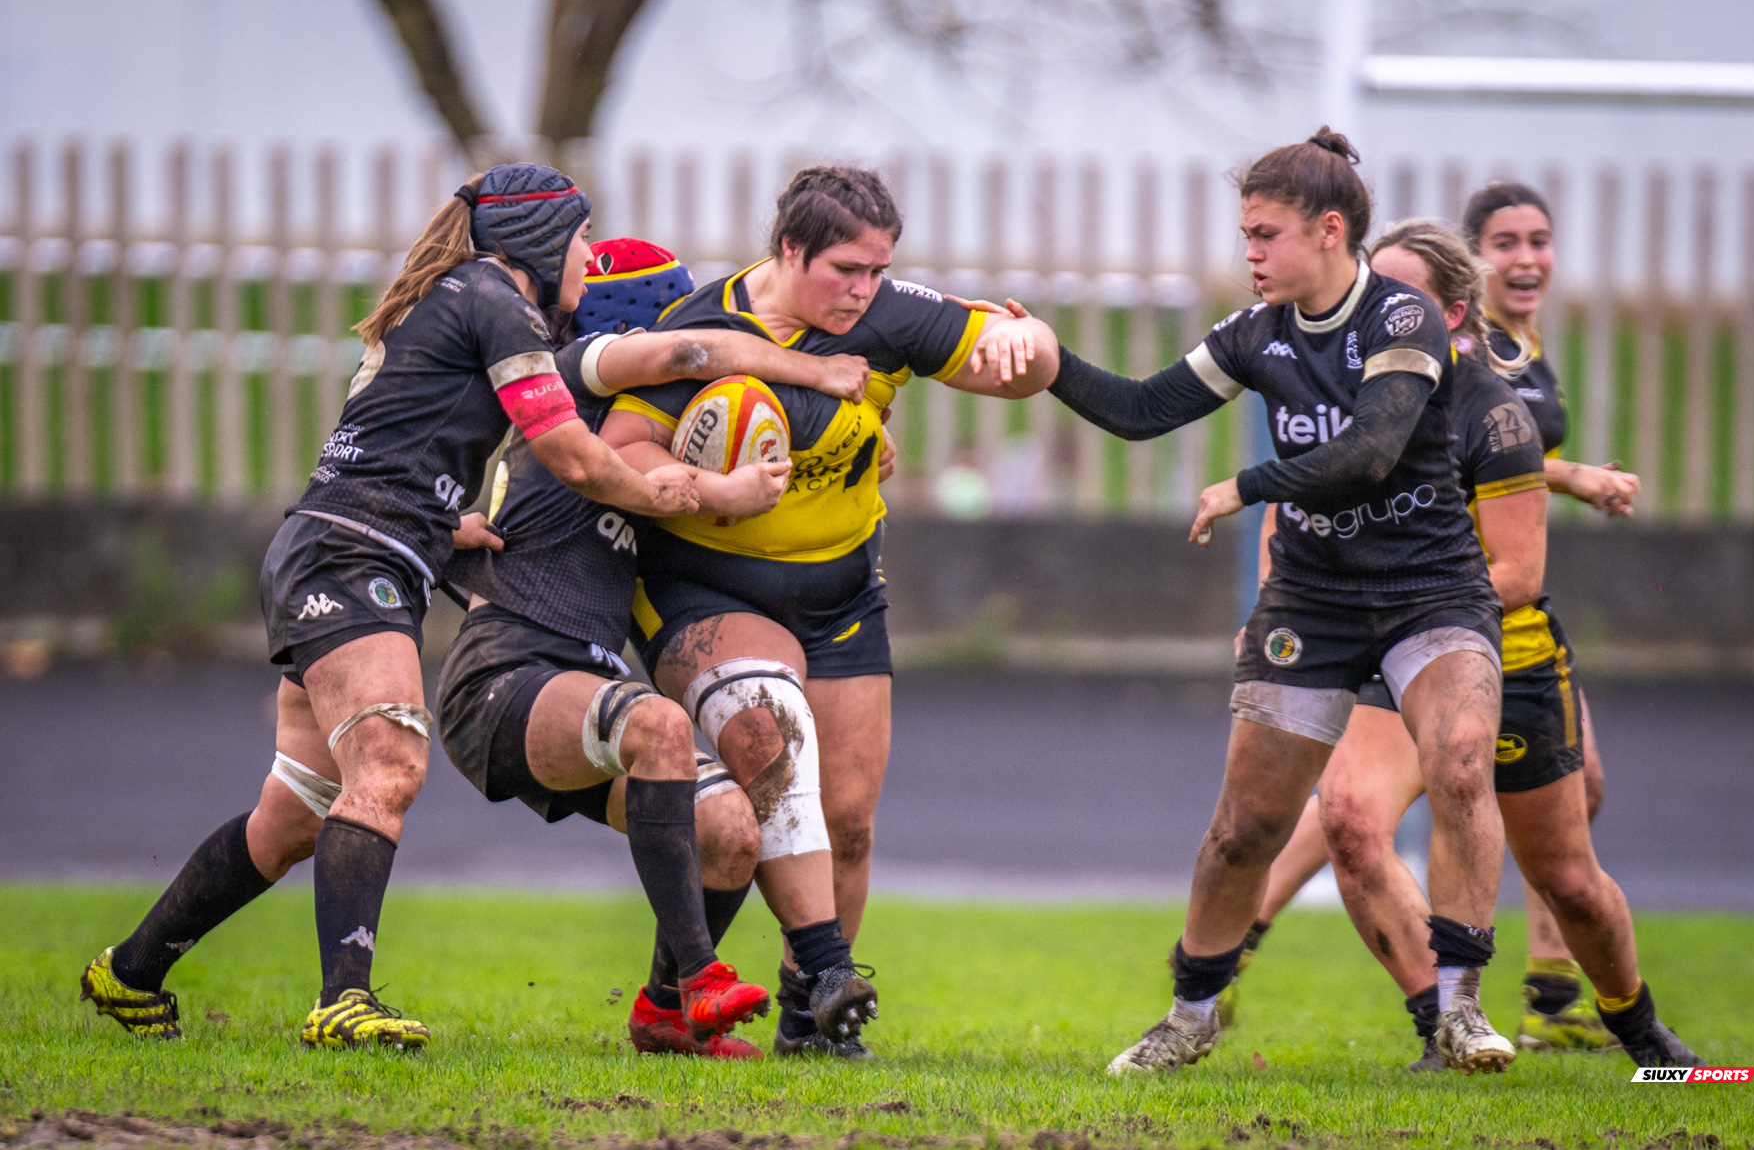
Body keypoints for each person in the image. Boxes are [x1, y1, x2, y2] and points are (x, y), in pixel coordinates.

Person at [78, 164, 706, 1049]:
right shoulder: (499, 299)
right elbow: (569, 453)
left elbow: (391, 439)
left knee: (295, 813)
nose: (587, 257)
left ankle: (130, 970)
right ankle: (345, 1000)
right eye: (577, 237)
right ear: (535, 242)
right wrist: (677, 495)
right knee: (391, 757)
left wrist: (445, 525)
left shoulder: (458, 293)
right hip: (349, 557)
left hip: (342, 545)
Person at [1048, 130, 1516, 1075]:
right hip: (1314, 598)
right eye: (1245, 234)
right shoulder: (1254, 334)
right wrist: (1045, 359)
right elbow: (1143, 410)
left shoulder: (1403, 319)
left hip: (1432, 590)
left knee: (1461, 765)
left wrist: (1247, 484)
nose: (1249, 252)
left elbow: (1373, 451)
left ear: (1329, 229)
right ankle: (1190, 1014)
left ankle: (1462, 1007)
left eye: (1264, 233)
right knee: (1245, 827)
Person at [601, 166, 1059, 1057]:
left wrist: (1026, 344)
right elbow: (621, 459)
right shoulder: (700, 330)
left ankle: (810, 1023)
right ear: (788, 248)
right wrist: (709, 486)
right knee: (777, 754)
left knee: (848, 817)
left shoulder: (884, 314)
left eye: (879, 269)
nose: (863, 289)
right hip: (708, 587)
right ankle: (817, 970)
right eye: (846, 268)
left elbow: (1018, 361)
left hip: (843, 592)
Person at [1233, 219, 1702, 1073]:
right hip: (1381, 645)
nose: (1377, 314)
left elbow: (1517, 572)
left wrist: (1394, 607)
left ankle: (1642, 1033)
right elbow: (1288, 510)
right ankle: (1443, 1025)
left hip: (1500, 652)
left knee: (1565, 878)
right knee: (1346, 823)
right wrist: (1289, 604)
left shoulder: (1498, 413)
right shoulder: (1347, 397)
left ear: (1452, 316)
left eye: (1399, 300)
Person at [436, 238, 875, 1059]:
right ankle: (703, 978)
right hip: (505, 676)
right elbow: (684, 377)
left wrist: (850, 448)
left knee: (732, 830)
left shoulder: (666, 426)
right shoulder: (567, 389)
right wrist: (785, 410)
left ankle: (664, 1013)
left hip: (583, 688)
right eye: (677, 311)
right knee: (662, 727)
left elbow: (742, 444)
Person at [1464, 181, 1643, 1050]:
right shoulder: (1474, 351)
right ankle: (1224, 954)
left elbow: (1517, 468)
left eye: (1539, 239)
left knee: (1576, 793)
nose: (1526, 257)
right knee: (1352, 812)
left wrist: (1568, 477)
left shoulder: (1525, 346)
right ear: (1474, 259)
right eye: (1505, 242)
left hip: (1522, 615)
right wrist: (1577, 478)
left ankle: (1548, 998)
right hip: (1467, 611)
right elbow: (1485, 457)